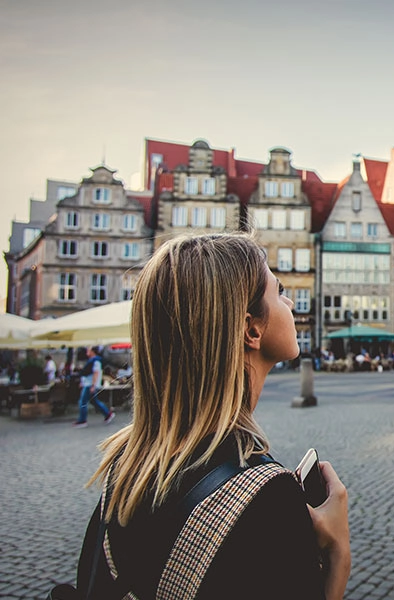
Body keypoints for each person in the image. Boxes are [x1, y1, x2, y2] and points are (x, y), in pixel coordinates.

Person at [73, 233, 351, 599]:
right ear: (252, 328)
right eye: (278, 289)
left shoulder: (126, 468)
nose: (290, 300)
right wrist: (338, 560)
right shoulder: (267, 500)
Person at [72, 346, 114, 428]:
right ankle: (107, 414)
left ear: (93, 352)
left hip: (90, 384)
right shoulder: (93, 361)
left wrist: (93, 385)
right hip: (89, 384)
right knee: (94, 401)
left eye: (89, 350)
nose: (87, 351)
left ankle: (82, 420)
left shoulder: (96, 361)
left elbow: (96, 373)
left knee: (83, 402)